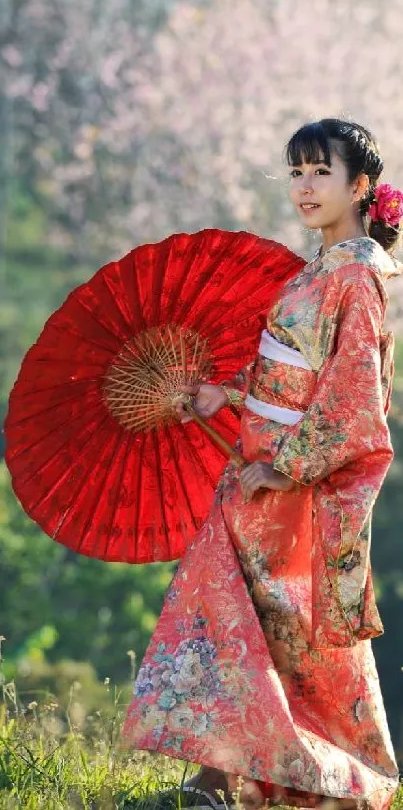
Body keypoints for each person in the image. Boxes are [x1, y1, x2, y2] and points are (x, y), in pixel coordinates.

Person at [122, 119, 403, 810]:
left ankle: (295, 782)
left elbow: (352, 392)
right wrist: (227, 390)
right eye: (295, 172)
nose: (304, 187)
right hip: (254, 470)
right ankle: (217, 783)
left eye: (319, 172)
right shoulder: (319, 269)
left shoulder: (358, 277)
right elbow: (288, 366)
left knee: (262, 629)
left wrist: (291, 467)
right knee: (237, 623)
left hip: (288, 486)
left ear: (359, 186)